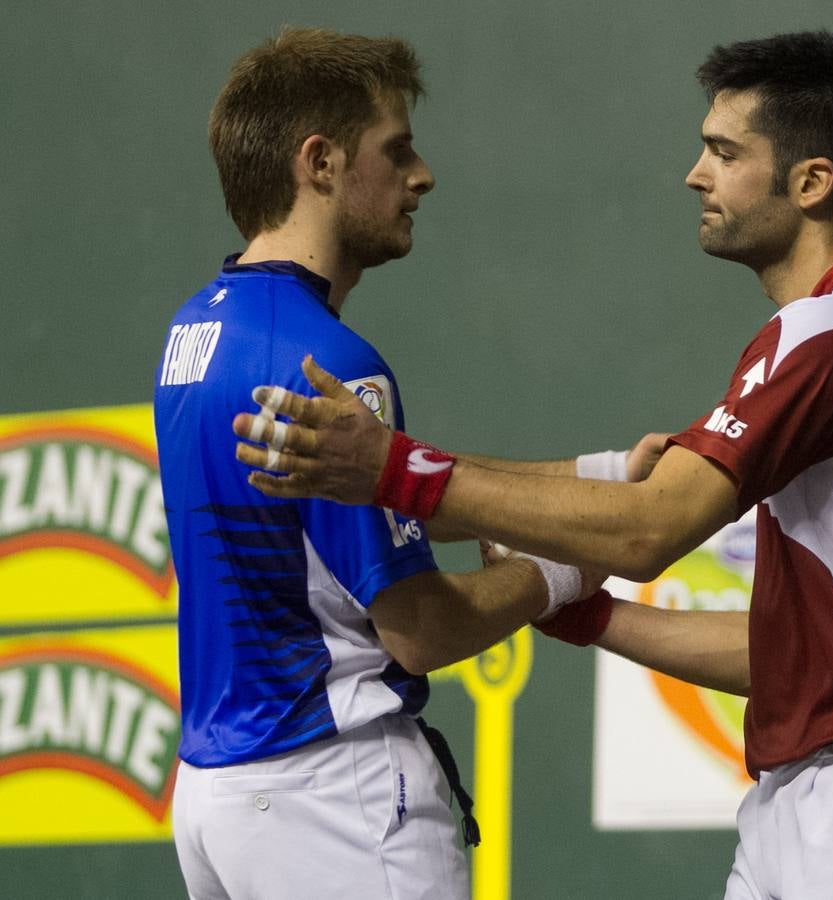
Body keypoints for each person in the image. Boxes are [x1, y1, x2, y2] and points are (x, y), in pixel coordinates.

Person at [232, 31, 833, 899]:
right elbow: (784, 653)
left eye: (724, 153)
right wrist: (587, 615)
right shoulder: (821, 334)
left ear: (811, 183)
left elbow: (651, 529)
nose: (695, 174)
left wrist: (396, 472)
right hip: (809, 805)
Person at [153, 27, 616, 900]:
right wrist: (562, 571)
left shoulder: (194, 334)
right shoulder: (333, 365)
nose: (421, 175)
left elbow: (349, 510)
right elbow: (419, 630)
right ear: (320, 163)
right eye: (396, 150)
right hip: (337, 801)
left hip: (219, 804)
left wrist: (600, 477)